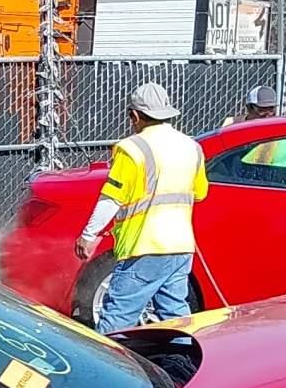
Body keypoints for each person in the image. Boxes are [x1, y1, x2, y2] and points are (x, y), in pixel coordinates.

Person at [75, 82, 208, 332]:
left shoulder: (131, 149)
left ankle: (106, 368)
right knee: (175, 317)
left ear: (134, 115)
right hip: (180, 247)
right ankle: (186, 364)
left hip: (144, 248)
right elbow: (200, 193)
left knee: (117, 316)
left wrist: (88, 235)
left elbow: (111, 198)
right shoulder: (192, 147)